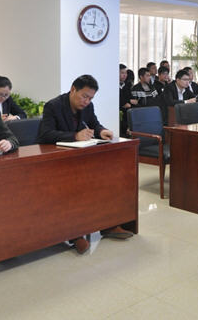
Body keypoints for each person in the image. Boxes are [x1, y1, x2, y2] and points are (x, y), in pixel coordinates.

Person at [36, 74, 131, 253]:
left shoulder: (88, 107)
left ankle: (107, 225)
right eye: (84, 96)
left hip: (81, 159)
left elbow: (94, 123)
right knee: (74, 188)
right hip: (58, 162)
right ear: (73, 89)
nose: (87, 102)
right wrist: (74, 136)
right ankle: (75, 235)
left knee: (106, 180)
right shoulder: (53, 106)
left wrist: (102, 131)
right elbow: (45, 135)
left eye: (90, 98)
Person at [119, 64, 137, 136]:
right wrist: (127, 102)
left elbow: (131, 99)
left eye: (125, 73)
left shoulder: (127, 85)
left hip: (127, 112)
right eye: (122, 73)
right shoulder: (112, 86)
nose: (124, 75)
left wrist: (128, 102)